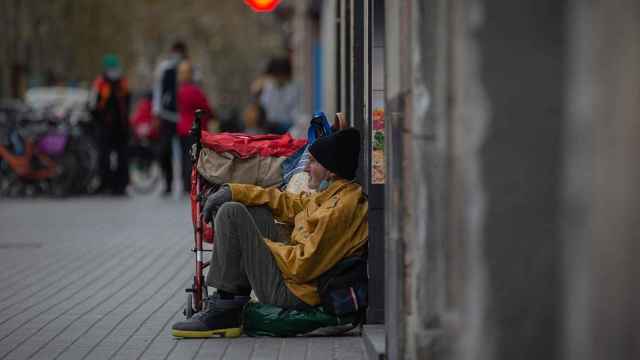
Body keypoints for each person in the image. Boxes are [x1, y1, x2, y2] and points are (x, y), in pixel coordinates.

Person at [171, 128, 368, 338]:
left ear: (331, 170)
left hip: (295, 293)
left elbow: (302, 266)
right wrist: (234, 191)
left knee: (231, 214)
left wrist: (257, 245)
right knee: (249, 208)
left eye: (313, 162)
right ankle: (231, 300)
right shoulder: (333, 194)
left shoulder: (338, 210)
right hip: (294, 276)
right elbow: (286, 202)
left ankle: (224, 308)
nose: (307, 168)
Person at [90, 54, 130, 196]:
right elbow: (93, 105)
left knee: (123, 158)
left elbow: (127, 102)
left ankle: (121, 185)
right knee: (104, 158)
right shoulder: (100, 83)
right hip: (105, 127)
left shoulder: (122, 83)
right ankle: (106, 183)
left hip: (121, 128)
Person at [152, 41, 187, 196]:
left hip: (184, 117)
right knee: (164, 151)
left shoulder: (190, 68)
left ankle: (186, 184)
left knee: (187, 153)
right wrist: (156, 112)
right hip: (167, 115)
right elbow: (158, 91)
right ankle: (168, 183)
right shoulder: (165, 69)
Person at [177, 60, 212, 194]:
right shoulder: (195, 91)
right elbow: (205, 108)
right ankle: (192, 184)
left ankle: (185, 183)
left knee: (184, 157)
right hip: (195, 129)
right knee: (195, 158)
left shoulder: (179, 91)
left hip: (182, 128)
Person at [258, 57, 301, 134]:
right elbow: (264, 105)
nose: (273, 79)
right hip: (270, 126)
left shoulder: (294, 89)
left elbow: (296, 113)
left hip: (288, 127)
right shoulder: (269, 87)